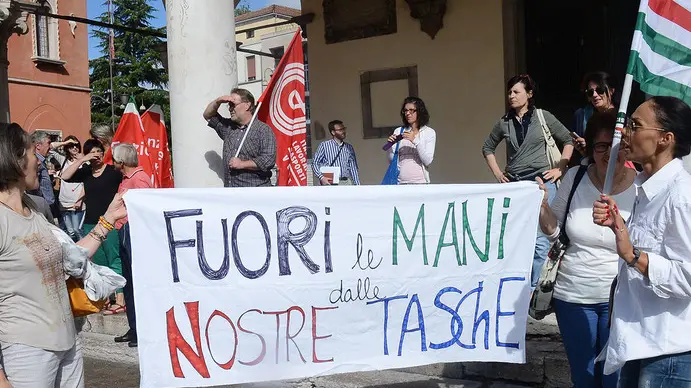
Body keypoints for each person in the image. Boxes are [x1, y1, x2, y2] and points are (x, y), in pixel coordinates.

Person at [0, 122, 126, 388]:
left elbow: (70, 260)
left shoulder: (34, 207)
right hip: (26, 350)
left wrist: (108, 219)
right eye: (34, 153)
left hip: (68, 343)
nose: (39, 161)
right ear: (16, 160)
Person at [592, 96, 691, 386]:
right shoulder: (647, 190)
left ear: (665, 139)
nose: (624, 132)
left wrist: (634, 256)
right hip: (638, 340)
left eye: (635, 125)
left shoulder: (681, 196)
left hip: (667, 351)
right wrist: (620, 228)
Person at [536, 111, 636, 388]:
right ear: (591, 148)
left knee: (613, 378)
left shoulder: (641, 185)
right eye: (602, 146)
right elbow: (554, 230)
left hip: (621, 299)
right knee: (584, 377)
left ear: (627, 146)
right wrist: (542, 204)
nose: (609, 153)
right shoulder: (575, 178)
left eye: (618, 145)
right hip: (573, 295)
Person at [482, 74, 574, 287]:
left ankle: (536, 289)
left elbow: (567, 140)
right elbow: (487, 147)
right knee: (519, 238)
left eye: (516, 92)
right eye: (509, 92)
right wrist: (498, 174)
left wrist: (560, 167)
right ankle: (522, 286)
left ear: (529, 94)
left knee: (543, 240)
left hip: (542, 183)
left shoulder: (543, 116)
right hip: (516, 185)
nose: (511, 96)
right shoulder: (504, 122)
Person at [61, 139, 125, 315]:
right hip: (91, 221)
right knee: (98, 261)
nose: (97, 155)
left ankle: (120, 299)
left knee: (114, 258)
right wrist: (82, 160)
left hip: (110, 222)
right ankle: (105, 296)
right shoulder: (86, 172)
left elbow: (127, 178)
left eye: (99, 151)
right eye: (93, 152)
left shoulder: (112, 172)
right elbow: (64, 176)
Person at [111, 143, 152, 348]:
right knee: (129, 283)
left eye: (115, 159)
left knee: (137, 282)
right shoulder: (127, 179)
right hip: (123, 230)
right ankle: (134, 327)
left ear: (122, 161)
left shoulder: (140, 178)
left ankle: (141, 329)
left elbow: (145, 207)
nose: (113, 162)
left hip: (132, 231)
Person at [202, 88, 277, 187]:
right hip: (232, 193)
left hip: (255, 193)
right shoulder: (228, 128)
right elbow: (208, 115)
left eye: (233, 105)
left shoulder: (263, 130)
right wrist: (218, 101)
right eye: (229, 105)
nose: (230, 109)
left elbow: (268, 160)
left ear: (247, 105)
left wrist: (242, 164)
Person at [384, 96, 437, 184]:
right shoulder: (399, 131)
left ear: (419, 112)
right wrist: (390, 146)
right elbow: (391, 160)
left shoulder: (429, 132)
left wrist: (415, 141)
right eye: (405, 110)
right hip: (400, 182)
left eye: (411, 110)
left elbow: (428, 161)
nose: (408, 113)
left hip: (421, 183)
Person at [312, 120, 360, 185]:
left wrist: (357, 185)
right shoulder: (324, 145)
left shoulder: (349, 147)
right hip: (330, 182)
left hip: (346, 182)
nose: (343, 132)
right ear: (333, 132)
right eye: (340, 130)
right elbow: (315, 163)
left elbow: (353, 168)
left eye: (344, 129)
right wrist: (321, 177)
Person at [58, 136, 85, 242]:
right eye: (71, 146)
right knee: (70, 232)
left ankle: (84, 253)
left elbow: (86, 184)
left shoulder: (85, 161)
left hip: (77, 202)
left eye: (76, 145)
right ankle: (73, 255)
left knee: (77, 230)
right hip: (64, 201)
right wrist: (66, 142)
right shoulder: (63, 159)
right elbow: (50, 149)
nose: (74, 148)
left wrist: (80, 200)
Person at [27, 130, 56, 207]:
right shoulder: (35, 161)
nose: (50, 147)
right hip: (42, 205)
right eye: (48, 143)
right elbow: (32, 186)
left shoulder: (41, 160)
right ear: (38, 146)